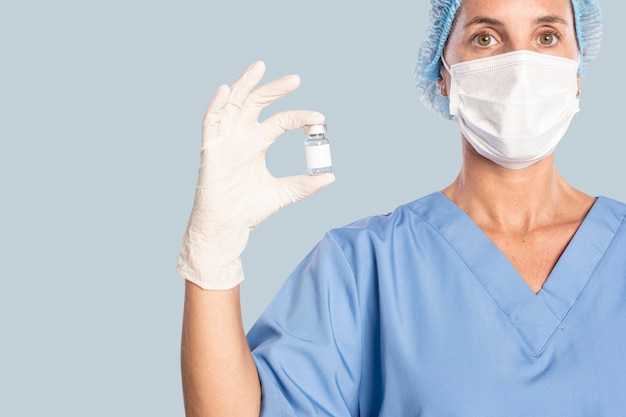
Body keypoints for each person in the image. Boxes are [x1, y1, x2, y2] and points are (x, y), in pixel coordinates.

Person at [177, 0, 626, 415]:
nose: (520, 66)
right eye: (485, 37)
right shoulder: (364, 267)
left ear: (578, 69)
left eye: (546, 37)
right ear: (443, 73)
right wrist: (213, 253)